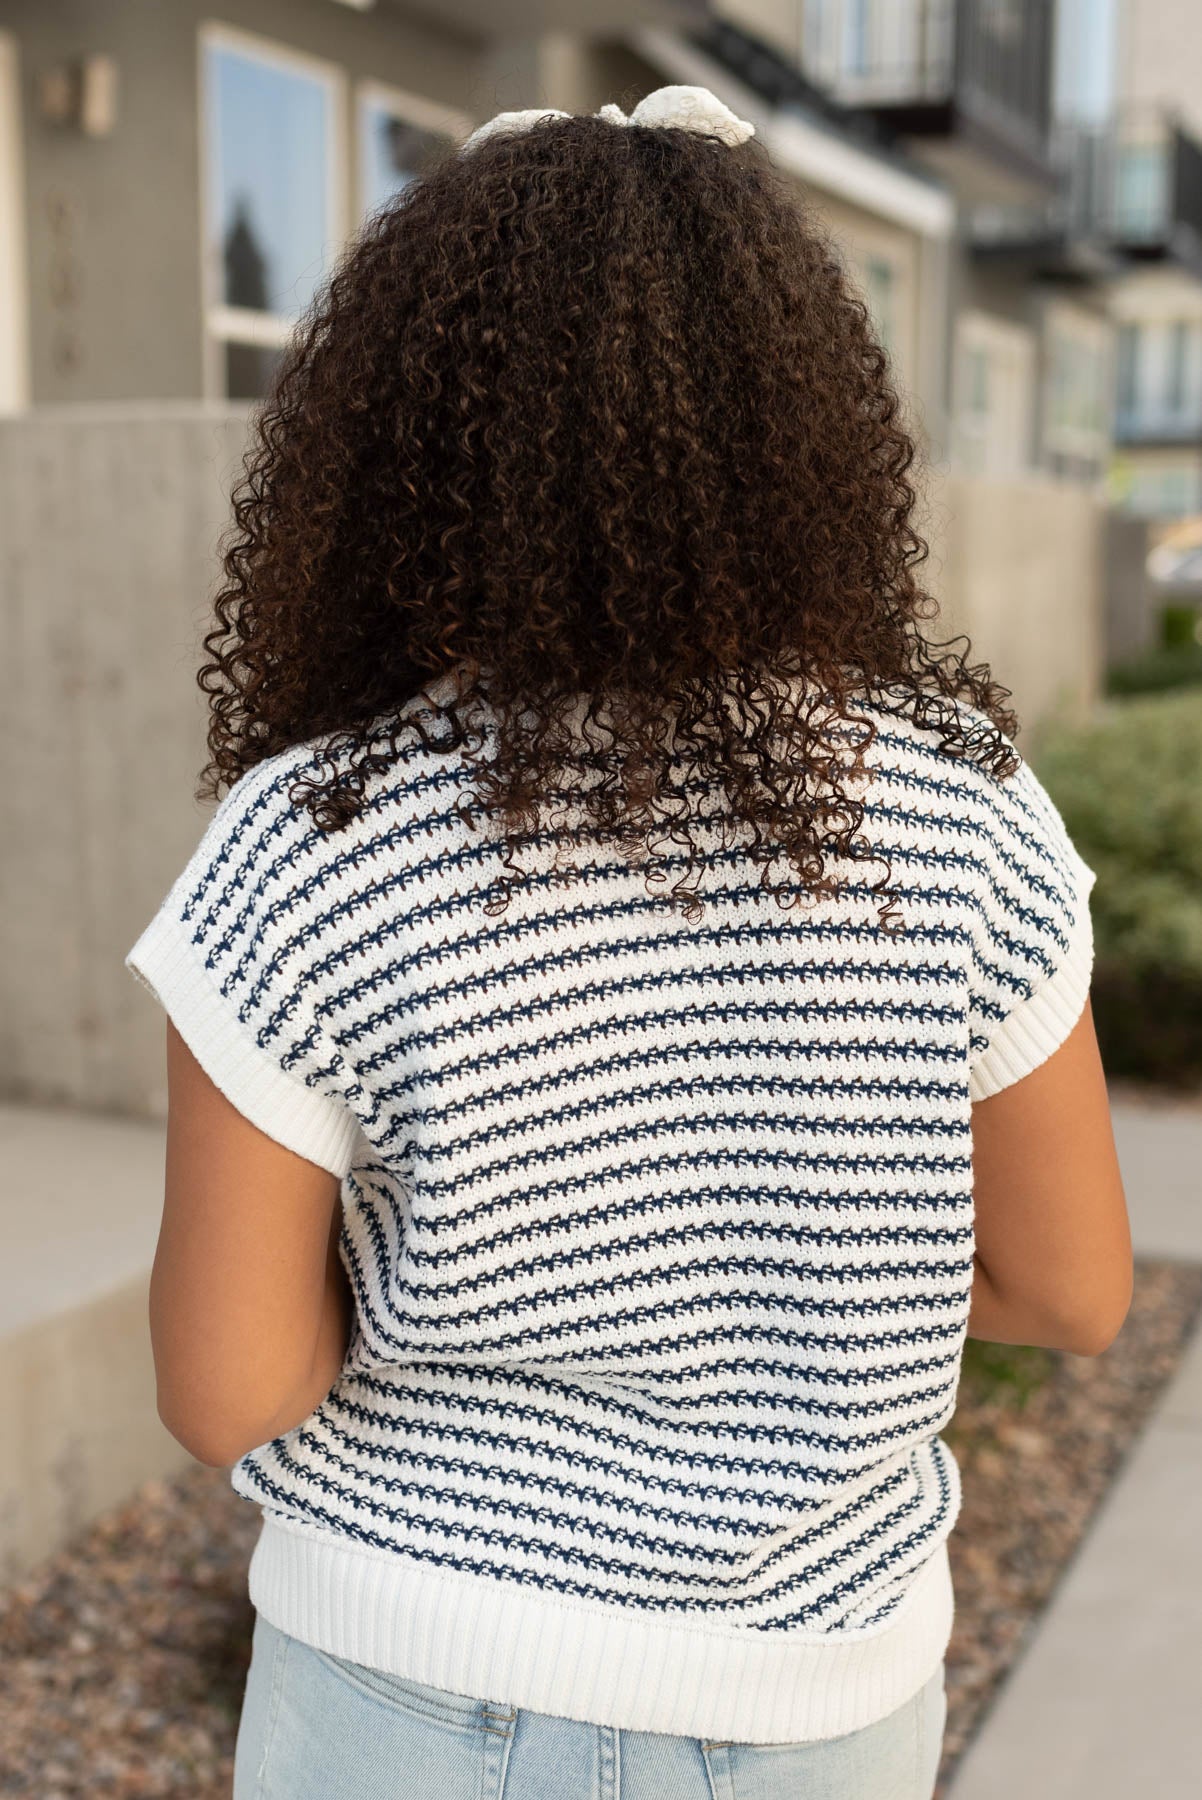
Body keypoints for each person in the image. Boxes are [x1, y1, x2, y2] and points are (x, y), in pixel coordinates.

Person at [124, 84, 1133, 1800]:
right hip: (823, 1700)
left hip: (406, 1680)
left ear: (394, 448)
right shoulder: (963, 813)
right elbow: (1067, 1285)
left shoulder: (316, 835)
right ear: (801, 434)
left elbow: (228, 1388)